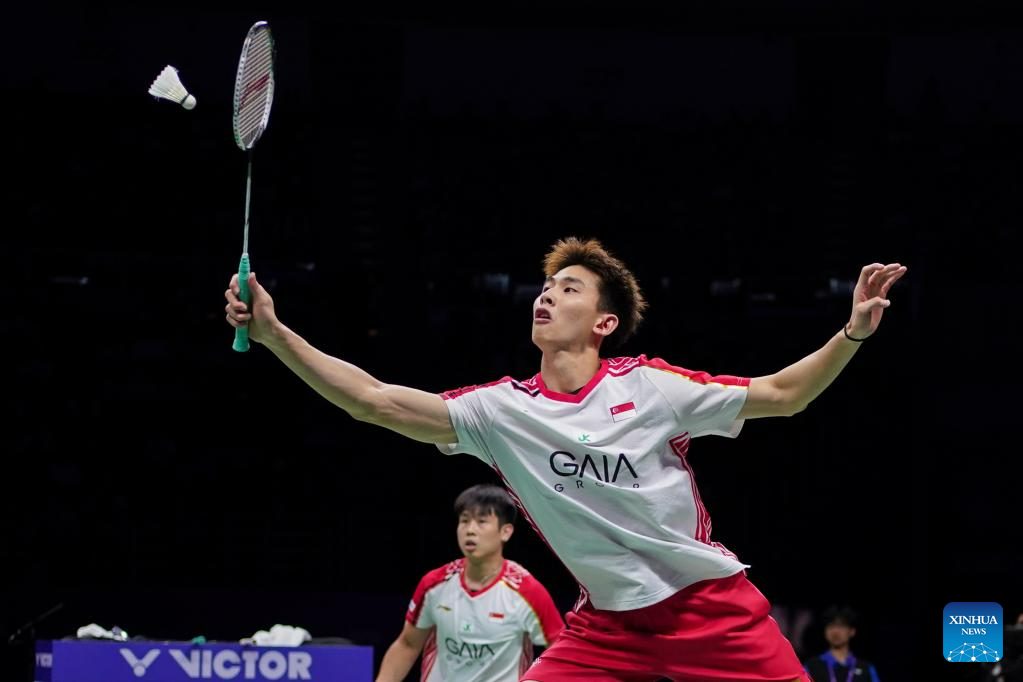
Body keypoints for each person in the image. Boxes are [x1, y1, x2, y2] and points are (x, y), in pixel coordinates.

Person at [224, 237, 906, 681]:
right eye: (546, 286)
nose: (547, 294)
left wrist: (851, 333)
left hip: (708, 610)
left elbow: (783, 395)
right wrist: (277, 335)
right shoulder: (501, 411)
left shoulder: (651, 388)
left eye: (569, 288)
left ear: (604, 324)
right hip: (606, 625)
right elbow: (374, 401)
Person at [375, 484, 564, 682]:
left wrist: (534, 676)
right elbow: (407, 644)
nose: (470, 530)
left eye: (482, 522)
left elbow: (558, 650)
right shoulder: (435, 584)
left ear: (505, 532)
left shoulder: (527, 591)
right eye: (464, 521)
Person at [803, 606, 880, 682]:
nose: (835, 631)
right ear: (825, 631)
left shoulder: (866, 668)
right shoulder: (811, 666)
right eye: (831, 626)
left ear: (852, 631)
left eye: (841, 626)